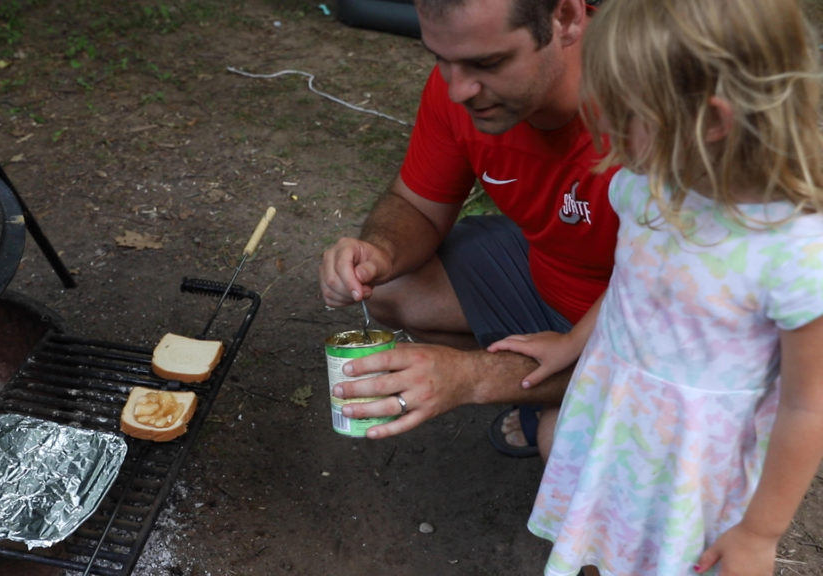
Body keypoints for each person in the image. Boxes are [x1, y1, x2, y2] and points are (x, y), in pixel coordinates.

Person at [487, 0, 823, 573]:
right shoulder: (645, 187)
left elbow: (806, 405)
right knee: (600, 540)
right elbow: (633, 277)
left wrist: (760, 532)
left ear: (711, 123)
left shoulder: (794, 255)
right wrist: (572, 343)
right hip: (620, 417)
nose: (602, 130)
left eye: (622, 115)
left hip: (697, 469)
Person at [318, 0, 620, 457]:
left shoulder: (660, 108)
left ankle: (568, 399)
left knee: (566, 448)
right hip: (555, 277)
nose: (458, 89)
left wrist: (469, 378)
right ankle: (559, 389)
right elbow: (414, 205)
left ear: (566, 19)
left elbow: (676, 324)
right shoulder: (465, 83)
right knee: (388, 284)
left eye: (489, 62)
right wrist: (380, 250)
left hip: (656, 322)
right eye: (440, 58)